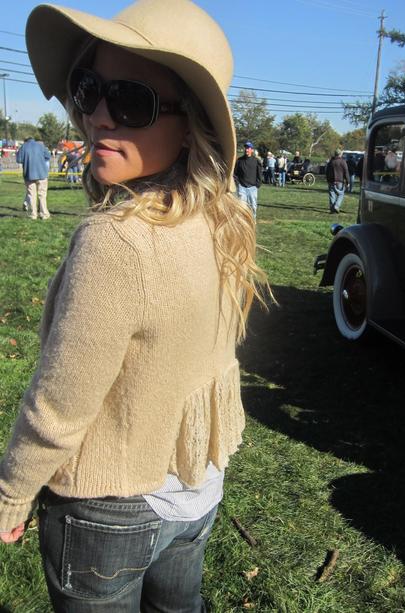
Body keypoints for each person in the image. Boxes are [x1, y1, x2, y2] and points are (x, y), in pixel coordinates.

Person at [0, 1, 269, 611]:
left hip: (108, 509)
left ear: (190, 121)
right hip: (198, 491)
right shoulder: (225, 220)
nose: (96, 116)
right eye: (88, 90)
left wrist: (11, 496)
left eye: (130, 101)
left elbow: (61, 400)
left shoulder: (116, 241)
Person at [16, 137, 51, 220]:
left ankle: (33, 215)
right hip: (42, 173)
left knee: (31, 195)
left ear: (26, 140)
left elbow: (19, 160)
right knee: (42, 195)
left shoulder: (23, 147)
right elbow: (48, 156)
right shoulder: (40, 145)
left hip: (29, 174)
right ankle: (44, 214)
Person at [234, 141, 263, 217]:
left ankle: (253, 222)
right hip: (242, 187)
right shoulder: (239, 160)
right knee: (241, 207)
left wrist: (258, 184)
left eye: (248, 148)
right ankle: (242, 223)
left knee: (253, 206)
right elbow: (235, 174)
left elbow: (259, 174)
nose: (247, 150)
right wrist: (238, 183)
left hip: (253, 188)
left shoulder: (256, 161)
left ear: (252, 150)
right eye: (246, 148)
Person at [326, 148, 349, 213]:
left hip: (331, 180)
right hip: (340, 181)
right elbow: (346, 172)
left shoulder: (331, 161)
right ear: (340, 154)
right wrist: (348, 181)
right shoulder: (343, 161)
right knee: (341, 194)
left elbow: (327, 171)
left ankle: (332, 208)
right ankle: (336, 206)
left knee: (332, 194)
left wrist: (328, 179)